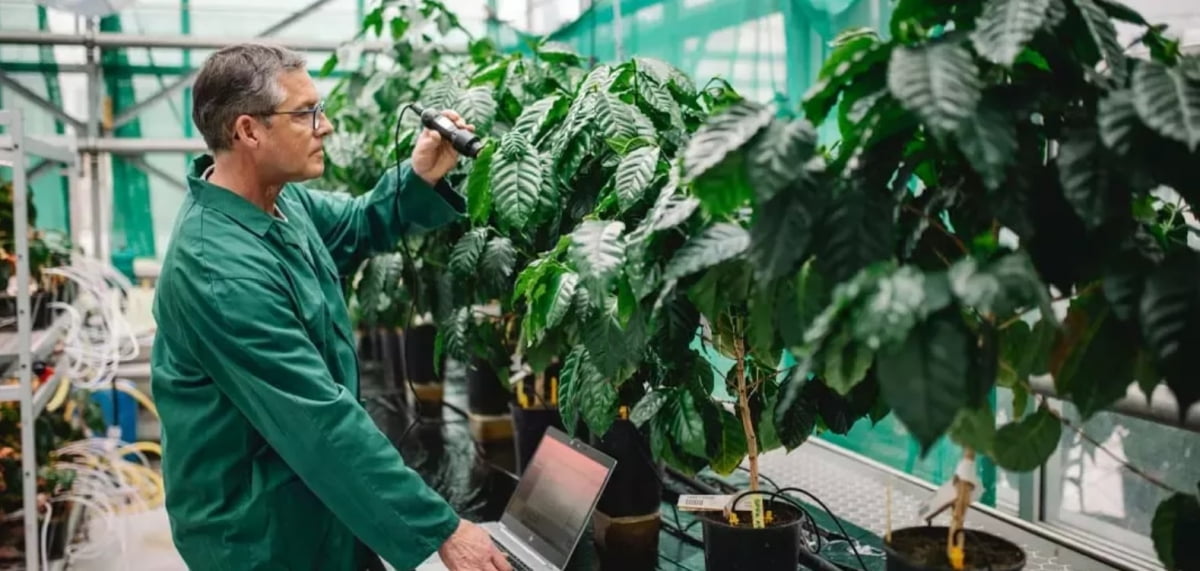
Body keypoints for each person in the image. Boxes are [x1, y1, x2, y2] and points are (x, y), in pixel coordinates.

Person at [150, 43, 512, 571]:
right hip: (261, 533)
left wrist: (418, 175)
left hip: (308, 499)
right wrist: (441, 528)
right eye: (306, 113)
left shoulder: (276, 200)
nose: (326, 126)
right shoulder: (218, 271)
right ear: (248, 131)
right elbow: (317, 420)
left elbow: (359, 223)